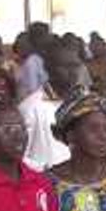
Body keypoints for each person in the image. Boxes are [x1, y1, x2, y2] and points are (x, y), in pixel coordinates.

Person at [18, 41, 79, 171]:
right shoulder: (30, 108)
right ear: (48, 68)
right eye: (66, 66)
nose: (73, 72)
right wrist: (46, 170)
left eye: (75, 66)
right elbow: (19, 155)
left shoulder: (85, 102)